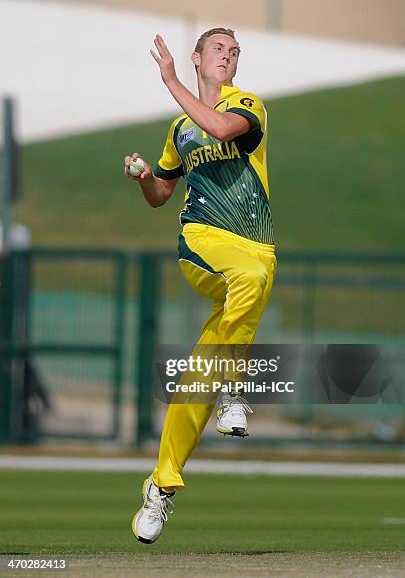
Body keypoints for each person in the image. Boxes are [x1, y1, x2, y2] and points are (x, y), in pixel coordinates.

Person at [125, 28, 276, 544]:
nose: (228, 56)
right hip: (204, 244)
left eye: (234, 51)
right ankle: (235, 385)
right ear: (197, 57)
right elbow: (162, 192)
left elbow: (217, 125)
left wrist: (170, 81)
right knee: (247, 279)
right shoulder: (179, 129)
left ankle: (159, 489)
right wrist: (146, 176)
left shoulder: (247, 105)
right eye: (218, 48)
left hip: (255, 248)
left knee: (195, 386)